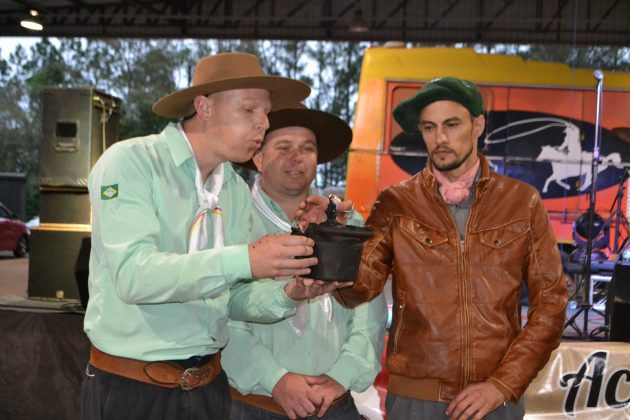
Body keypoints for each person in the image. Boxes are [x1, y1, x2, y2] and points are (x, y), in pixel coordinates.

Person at [81, 52, 347, 420]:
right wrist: (246, 259)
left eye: (266, 112)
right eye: (249, 109)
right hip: (133, 387)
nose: (263, 123)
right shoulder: (131, 163)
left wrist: (290, 294)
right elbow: (134, 275)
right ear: (204, 106)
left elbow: (231, 297)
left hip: (210, 387)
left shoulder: (233, 191)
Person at [336, 77, 568, 420]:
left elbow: (552, 302)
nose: (440, 138)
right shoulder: (396, 202)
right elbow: (356, 290)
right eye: (429, 127)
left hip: (495, 400)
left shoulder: (522, 202)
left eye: (452, 124)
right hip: (416, 399)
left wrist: (503, 384)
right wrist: (337, 240)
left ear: (478, 125)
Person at [222, 105, 387, 420]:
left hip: (333, 402)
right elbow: (220, 311)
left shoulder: (346, 223)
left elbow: (369, 310)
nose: (296, 157)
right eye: (283, 147)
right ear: (258, 158)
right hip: (255, 404)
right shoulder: (233, 220)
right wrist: (275, 379)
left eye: (307, 148)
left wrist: (342, 375)